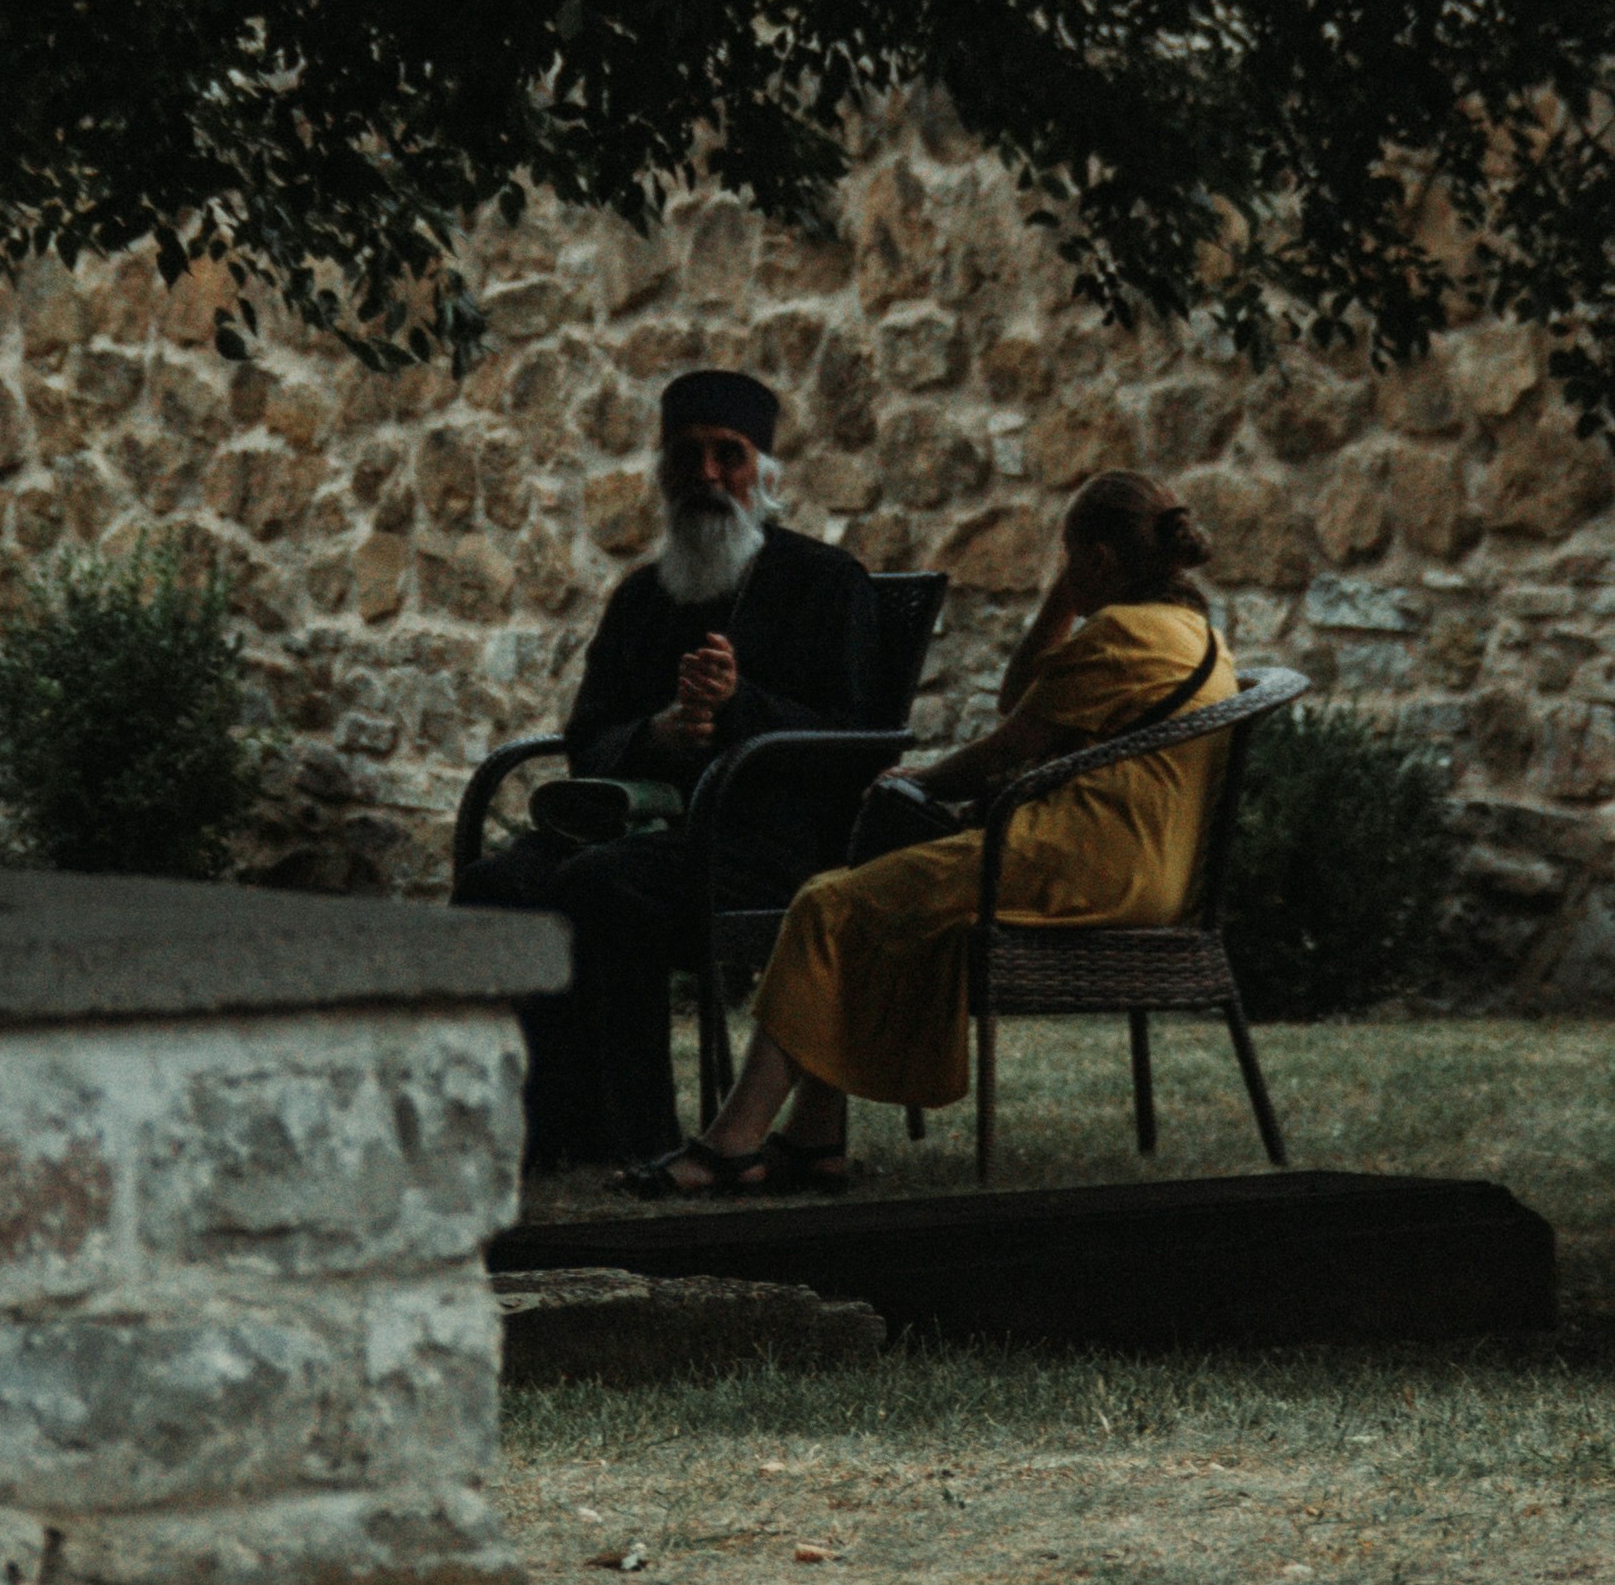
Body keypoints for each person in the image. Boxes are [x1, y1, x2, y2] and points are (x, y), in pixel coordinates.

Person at [625, 468, 1234, 1194]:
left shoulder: (1122, 636)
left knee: (825, 904)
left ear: (1099, 559)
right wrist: (1065, 599)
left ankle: (731, 1144)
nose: (1064, 574)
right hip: (1145, 871)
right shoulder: (1191, 632)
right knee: (863, 904)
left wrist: (920, 780)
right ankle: (814, 1138)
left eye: (1070, 559)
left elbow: (1005, 747)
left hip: (1075, 865)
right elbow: (1025, 695)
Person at [455, 367, 890, 1171]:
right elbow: (588, 733)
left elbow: (861, 738)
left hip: (769, 843)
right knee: (498, 885)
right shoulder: (642, 597)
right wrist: (655, 735)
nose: (707, 475)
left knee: (603, 885)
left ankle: (630, 1135)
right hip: (641, 828)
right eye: (687, 456)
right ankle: (533, 1131)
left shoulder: (826, 583)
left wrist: (740, 706)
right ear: (663, 471)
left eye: (729, 455)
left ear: (765, 473)